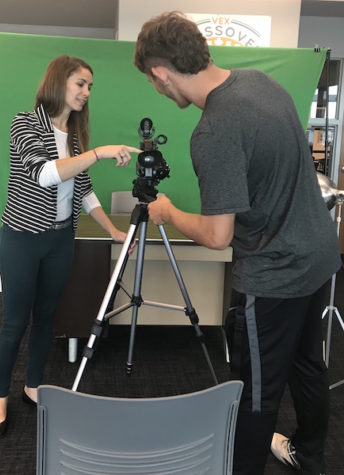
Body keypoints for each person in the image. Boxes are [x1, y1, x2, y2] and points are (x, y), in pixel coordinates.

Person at [133, 11, 340, 475]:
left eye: (153, 81)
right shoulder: (259, 82)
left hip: (273, 278)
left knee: (255, 393)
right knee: (308, 366)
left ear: (160, 73)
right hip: (320, 257)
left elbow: (217, 234)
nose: (157, 89)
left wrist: (166, 212)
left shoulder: (213, 130)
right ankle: (309, 454)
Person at [0, 55, 141, 438]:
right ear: (59, 82)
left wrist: (112, 231)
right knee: (14, 322)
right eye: (80, 84)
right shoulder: (24, 123)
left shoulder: (74, 137)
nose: (87, 92)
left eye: (90, 86)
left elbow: (82, 189)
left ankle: (32, 385)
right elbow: (43, 173)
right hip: (22, 239)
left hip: (60, 240)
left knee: (46, 316)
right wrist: (100, 152)